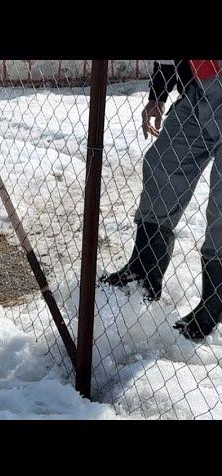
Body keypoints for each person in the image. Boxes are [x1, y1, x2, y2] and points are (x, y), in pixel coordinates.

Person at [102, 60, 222, 340]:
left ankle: (214, 301)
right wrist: (158, 95)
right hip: (201, 90)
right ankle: (145, 269)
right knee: (163, 164)